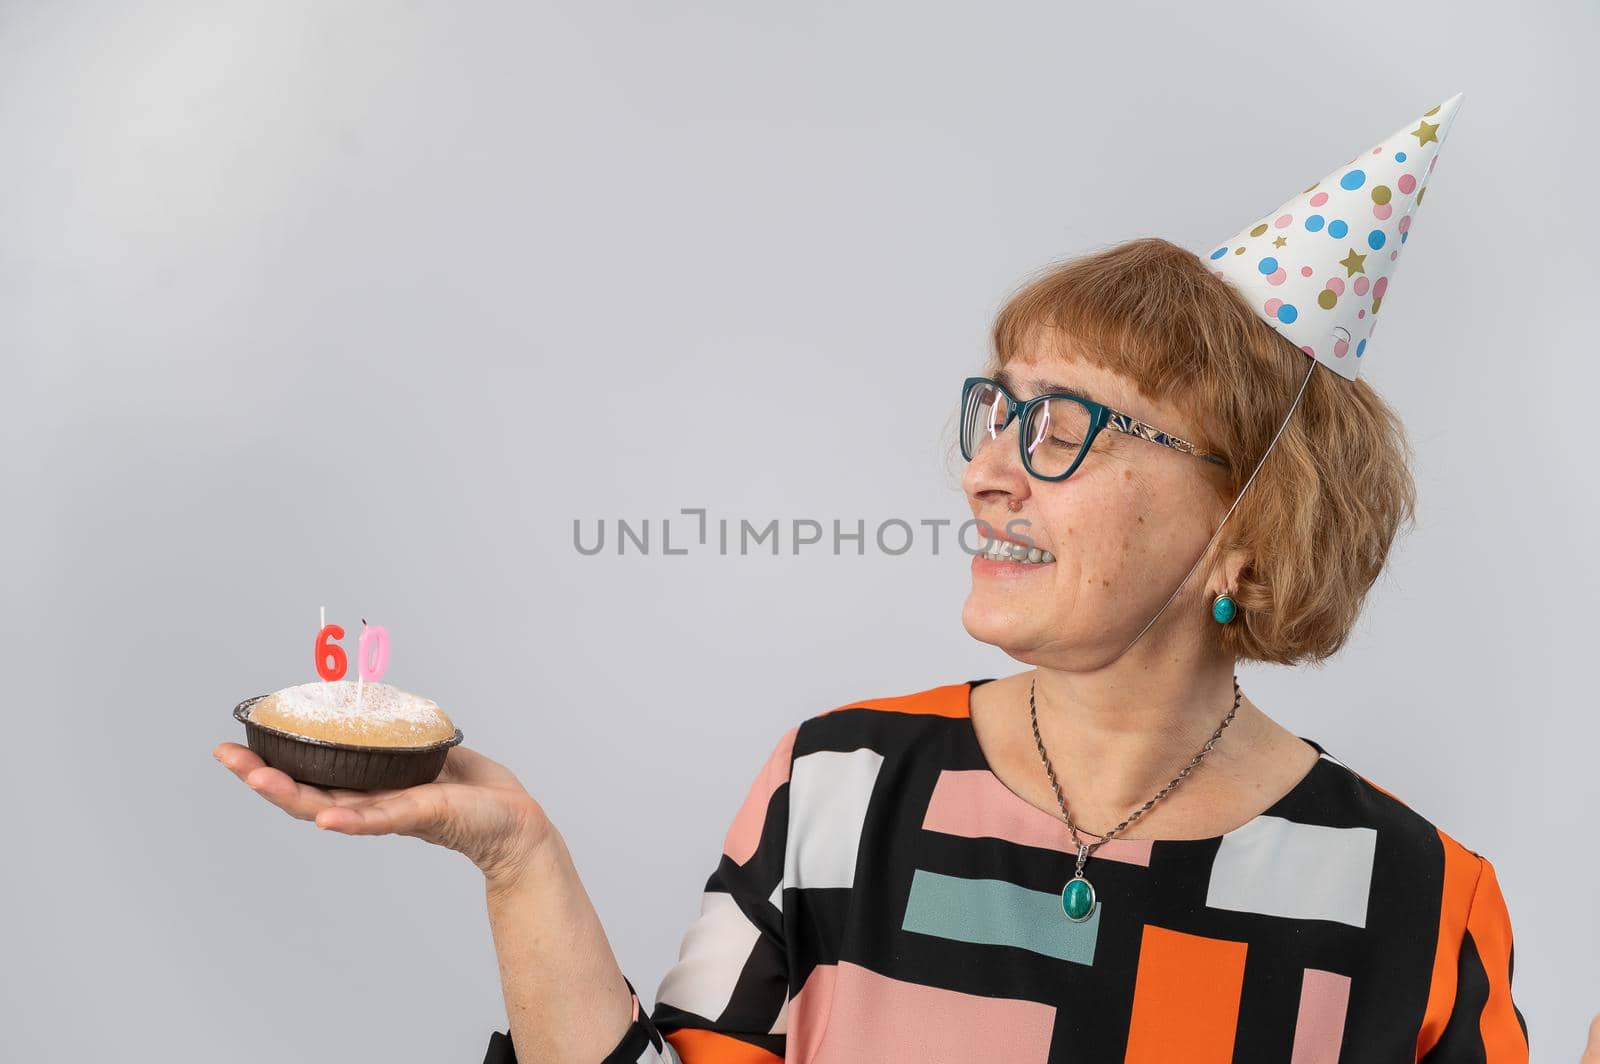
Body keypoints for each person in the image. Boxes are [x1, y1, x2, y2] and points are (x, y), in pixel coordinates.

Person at [215, 95, 1582, 1061]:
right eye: (1002, 408)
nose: (990, 468)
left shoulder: (1410, 895)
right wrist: (517, 860)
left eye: (1070, 427)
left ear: (1245, 526)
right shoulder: (846, 790)